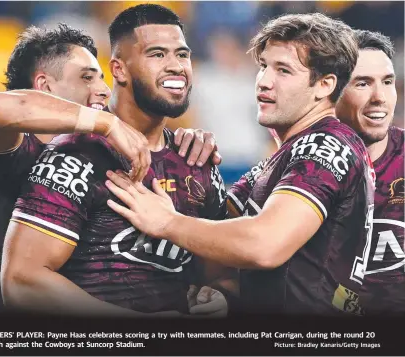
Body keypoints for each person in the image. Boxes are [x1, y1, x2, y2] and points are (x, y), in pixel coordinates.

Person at [105, 13, 376, 315]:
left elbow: (264, 244)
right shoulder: (276, 163)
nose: (263, 82)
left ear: (324, 85)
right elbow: (216, 231)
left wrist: (168, 223)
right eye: (263, 67)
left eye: (283, 71)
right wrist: (182, 156)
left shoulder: (328, 144)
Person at [0, 23, 218, 314]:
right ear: (45, 86)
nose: (102, 89)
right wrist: (105, 122)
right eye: (87, 77)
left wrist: (183, 143)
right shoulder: (9, 148)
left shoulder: (97, 154)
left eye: (102, 78)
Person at [335, 30, 404, 315]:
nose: (379, 97)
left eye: (387, 82)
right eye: (362, 83)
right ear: (330, 89)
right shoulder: (302, 166)